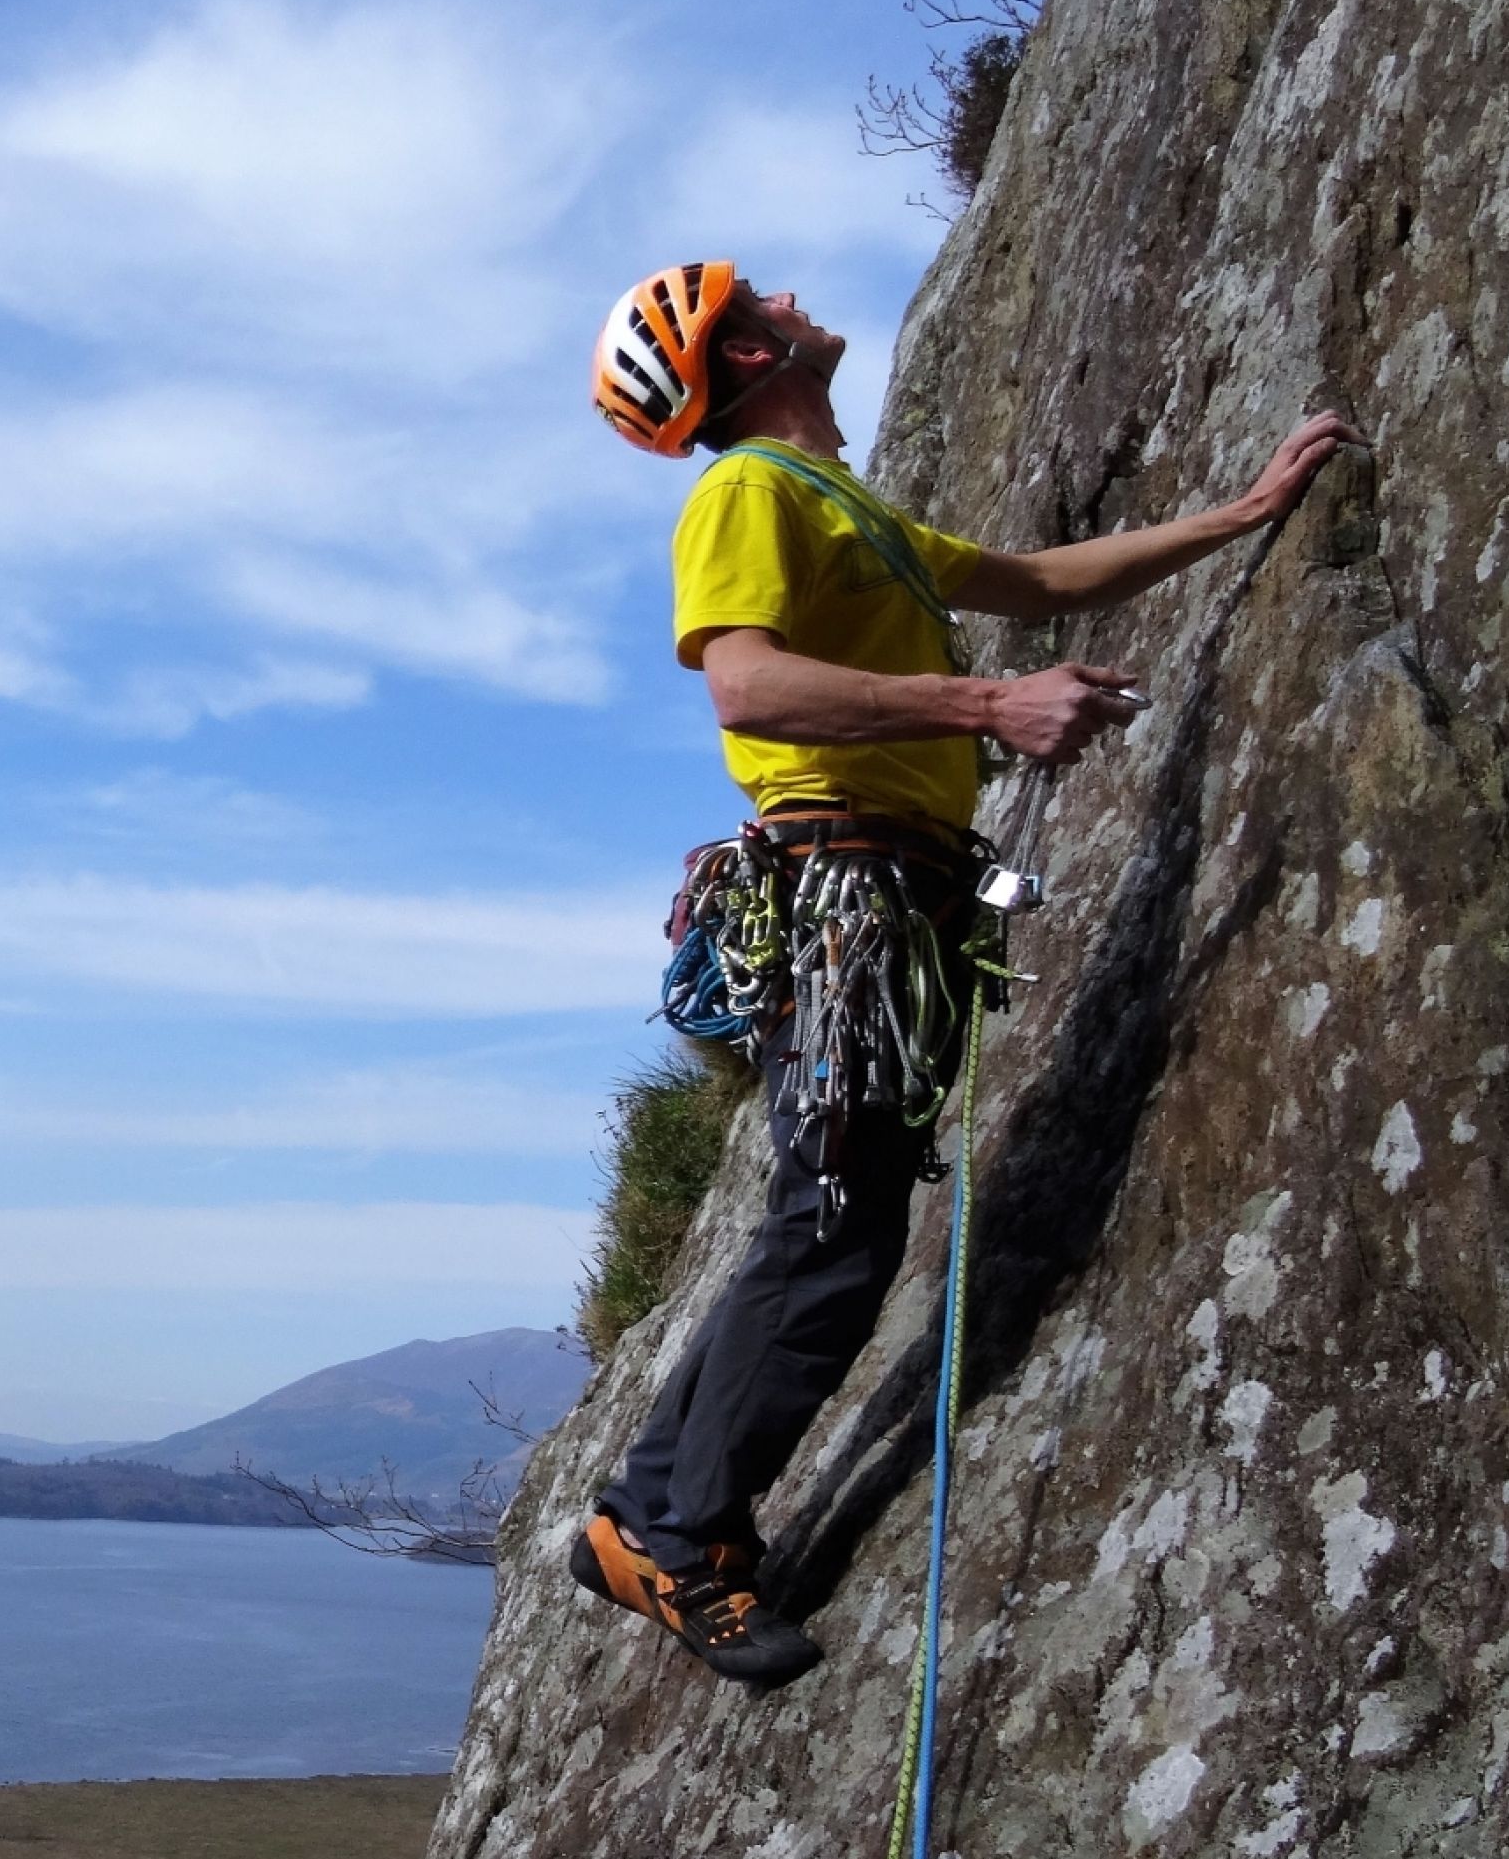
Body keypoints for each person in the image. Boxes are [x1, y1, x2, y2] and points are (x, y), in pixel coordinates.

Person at [578, 260, 1354, 1683]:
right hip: (851, 888)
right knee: (836, 1225)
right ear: (746, 349)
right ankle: (681, 1538)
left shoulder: (841, 505)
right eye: (764, 294)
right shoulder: (747, 490)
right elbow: (745, 684)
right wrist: (989, 702)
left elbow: (1042, 582)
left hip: (892, 888)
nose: (800, 295)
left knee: (825, 1210)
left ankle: (642, 1513)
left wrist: (1242, 512)